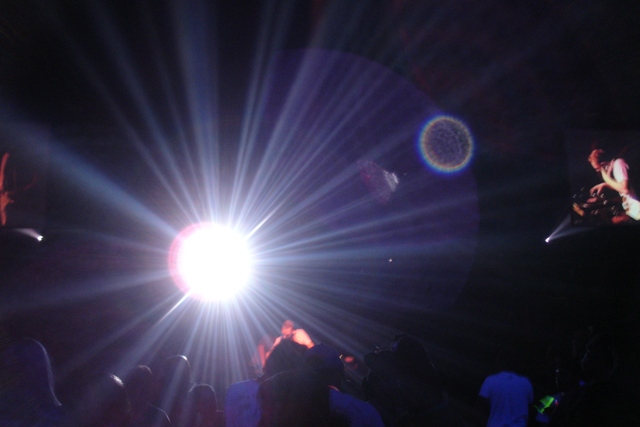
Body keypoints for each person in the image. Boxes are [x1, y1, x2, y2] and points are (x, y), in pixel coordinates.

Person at [475, 349, 533, 427]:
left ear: (499, 362)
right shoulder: (526, 383)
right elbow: (530, 407)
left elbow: (480, 406)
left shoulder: (491, 380)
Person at [588, 148, 640, 223]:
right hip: (634, 214)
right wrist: (605, 185)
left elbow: (624, 189)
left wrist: (605, 177)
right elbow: (621, 187)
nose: (597, 171)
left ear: (603, 163)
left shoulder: (618, 164)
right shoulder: (615, 166)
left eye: (597, 168)